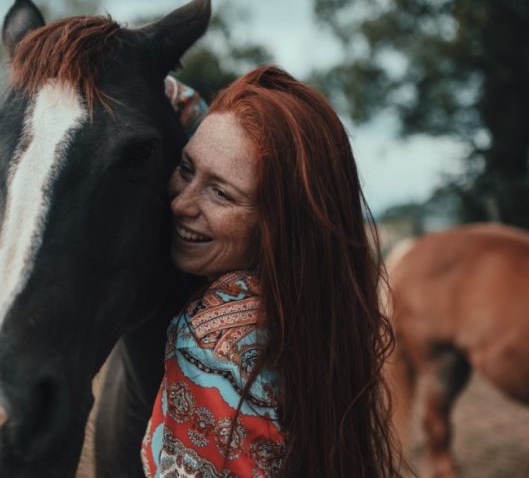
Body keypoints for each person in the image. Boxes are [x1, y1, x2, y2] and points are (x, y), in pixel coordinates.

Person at [143, 66, 401, 477]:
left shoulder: (211, 341)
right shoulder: (314, 306)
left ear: (279, 222)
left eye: (220, 193)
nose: (181, 204)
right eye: (187, 169)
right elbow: (227, 152)